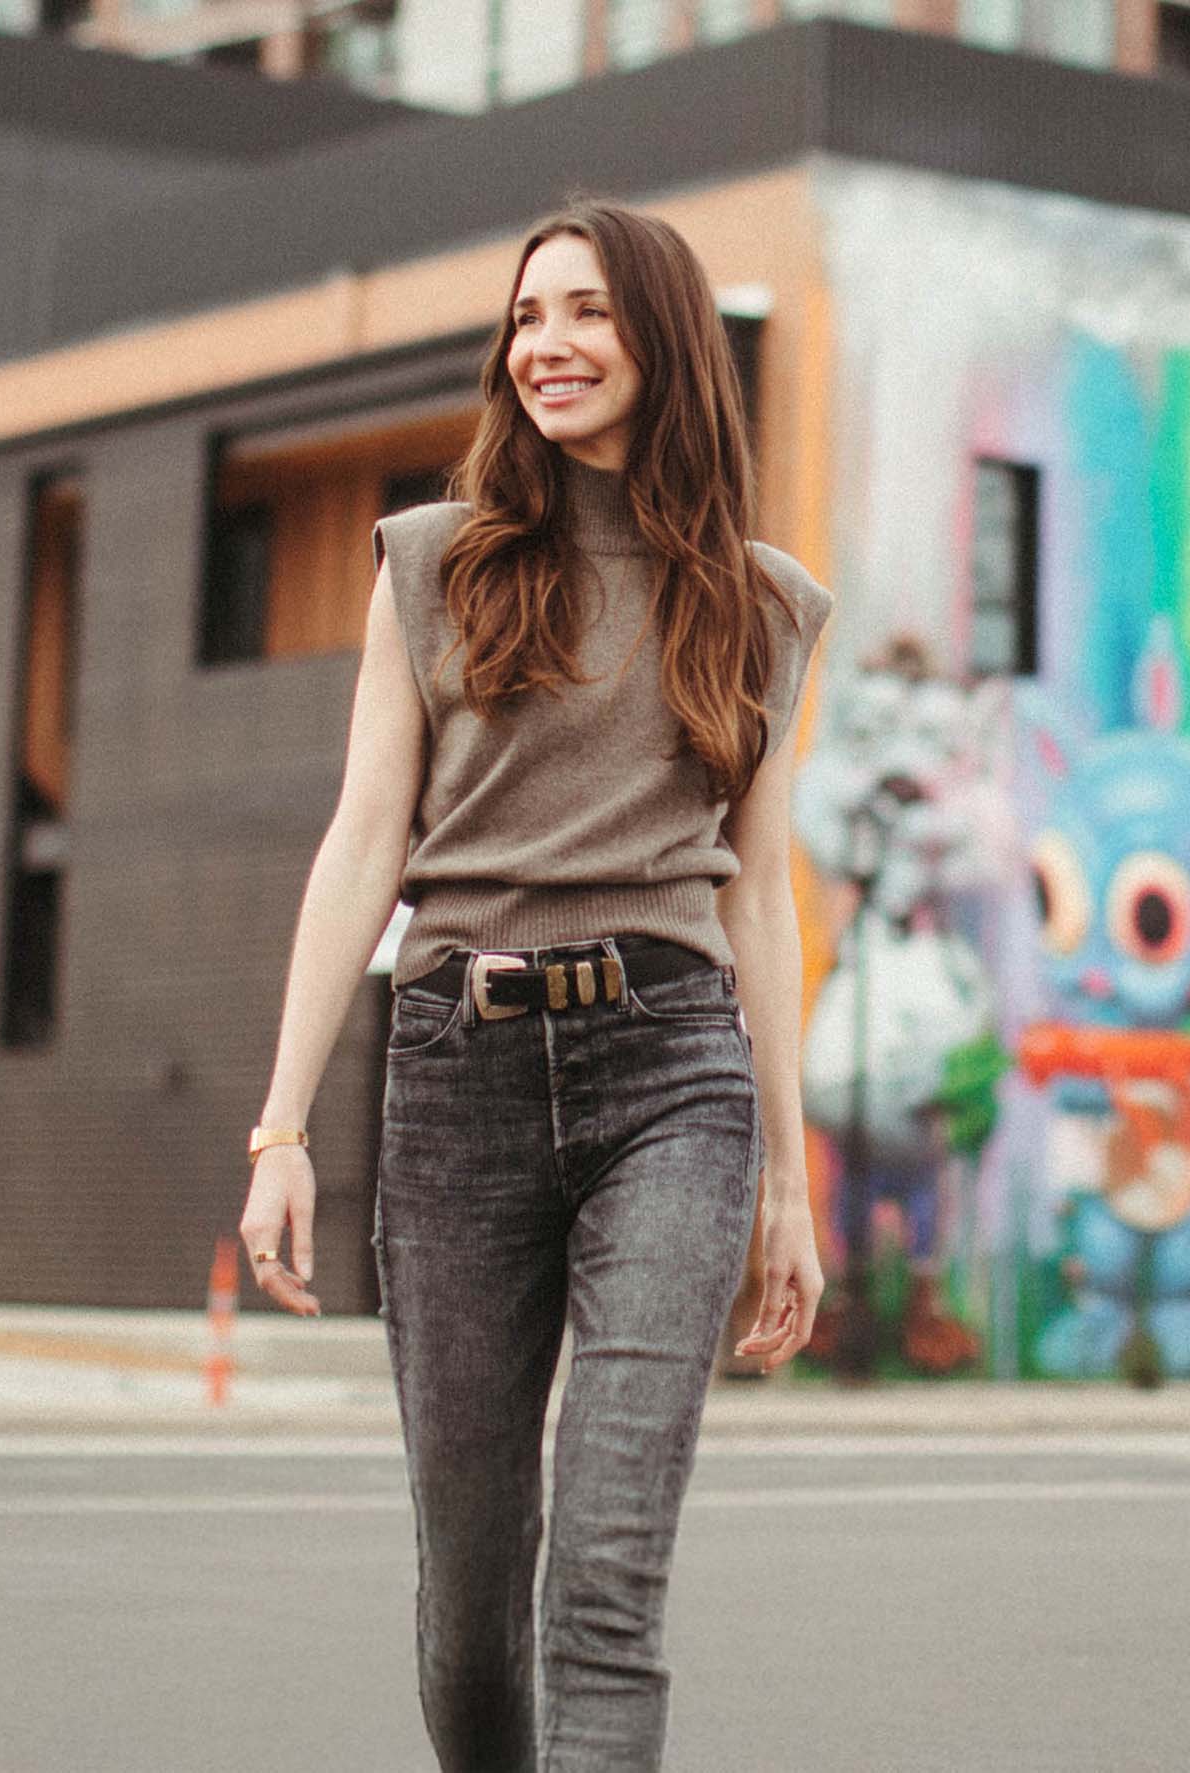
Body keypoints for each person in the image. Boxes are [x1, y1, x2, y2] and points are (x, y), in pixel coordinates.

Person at [239, 198, 833, 1773]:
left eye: (584, 312)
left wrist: (789, 1174)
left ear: (662, 338)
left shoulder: (763, 605)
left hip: (674, 1076)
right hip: (459, 1068)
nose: (546, 346)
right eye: (525, 319)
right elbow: (365, 838)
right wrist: (282, 1123)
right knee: (469, 1613)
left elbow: (759, 892)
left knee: (609, 1576)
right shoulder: (434, 566)